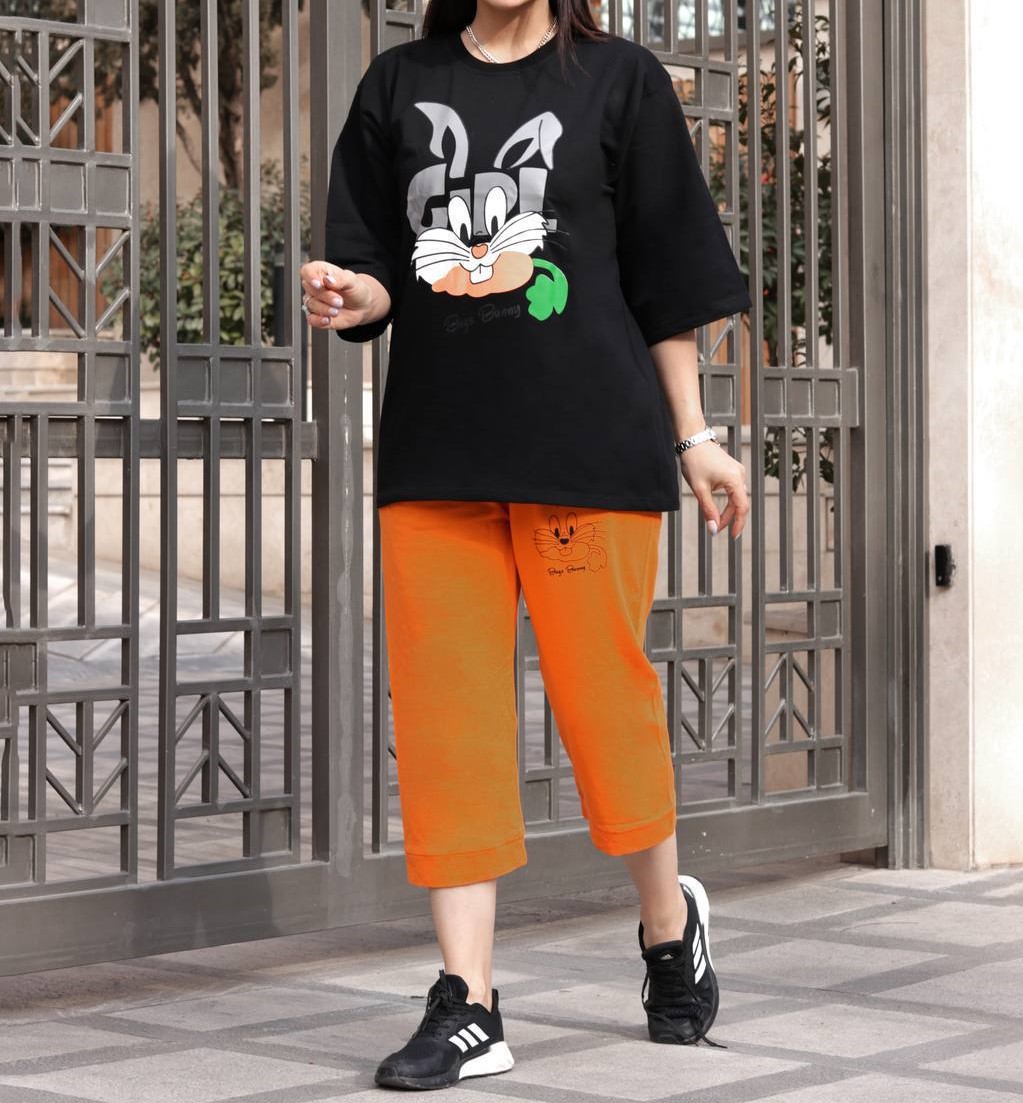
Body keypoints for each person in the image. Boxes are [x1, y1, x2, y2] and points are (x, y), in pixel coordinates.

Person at [299, 0, 752, 1090]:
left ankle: (666, 923)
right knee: (447, 722)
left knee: (603, 704)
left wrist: (694, 434)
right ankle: (468, 1001)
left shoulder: (620, 80)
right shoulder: (397, 85)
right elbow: (375, 269)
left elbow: (664, 280)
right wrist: (349, 292)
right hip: (438, 460)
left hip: (587, 454)